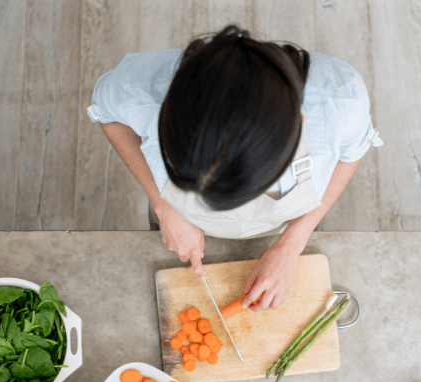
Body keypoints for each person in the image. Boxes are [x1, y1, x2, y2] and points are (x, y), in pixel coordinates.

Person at [87, 24, 382, 311]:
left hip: (286, 227)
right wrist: (165, 205)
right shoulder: (142, 86)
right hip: (176, 223)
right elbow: (107, 114)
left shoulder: (340, 100)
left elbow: (350, 154)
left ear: (299, 125)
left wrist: (291, 245)